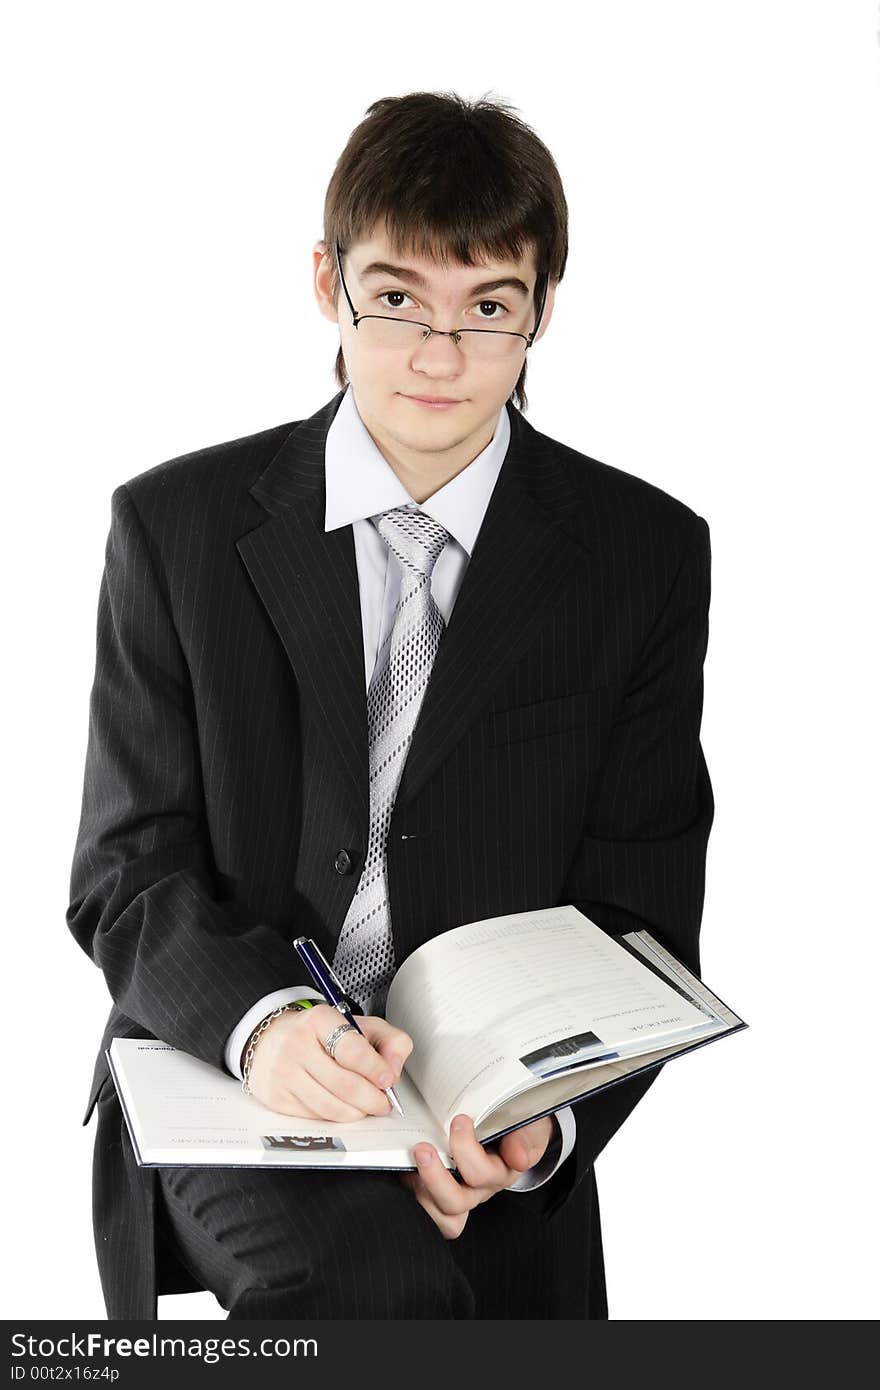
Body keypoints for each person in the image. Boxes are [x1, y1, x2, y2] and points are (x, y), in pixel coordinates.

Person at [67, 90, 714, 1321]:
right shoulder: (177, 529)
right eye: (397, 298)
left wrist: (547, 1122)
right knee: (372, 1297)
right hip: (232, 1070)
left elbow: (640, 911)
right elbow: (127, 868)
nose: (437, 353)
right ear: (327, 281)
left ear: (542, 312)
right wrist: (263, 1023)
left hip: (487, 1121)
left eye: (488, 310)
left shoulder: (642, 553)